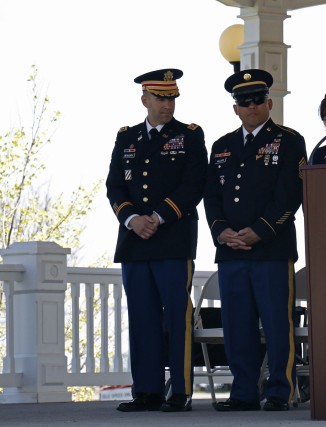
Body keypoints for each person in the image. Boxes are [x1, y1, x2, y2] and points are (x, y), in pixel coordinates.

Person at [203, 69, 307, 412]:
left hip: (271, 249)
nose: (251, 107)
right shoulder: (222, 146)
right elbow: (212, 196)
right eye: (243, 102)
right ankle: (244, 391)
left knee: (277, 322)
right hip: (230, 251)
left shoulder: (290, 140)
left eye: (257, 100)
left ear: (269, 102)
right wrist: (221, 231)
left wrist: (260, 230)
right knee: (237, 325)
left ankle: (279, 390)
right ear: (235, 108)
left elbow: (290, 196)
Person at [106, 68, 208, 412]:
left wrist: (158, 216)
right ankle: (147, 391)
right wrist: (132, 219)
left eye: (172, 98)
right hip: (135, 241)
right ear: (145, 99)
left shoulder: (190, 136)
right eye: (162, 98)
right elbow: (115, 186)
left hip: (173, 240)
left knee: (176, 317)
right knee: (141, 317)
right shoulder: (127, 137)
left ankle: (179, 391)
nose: (168, 105)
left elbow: (194, 185)